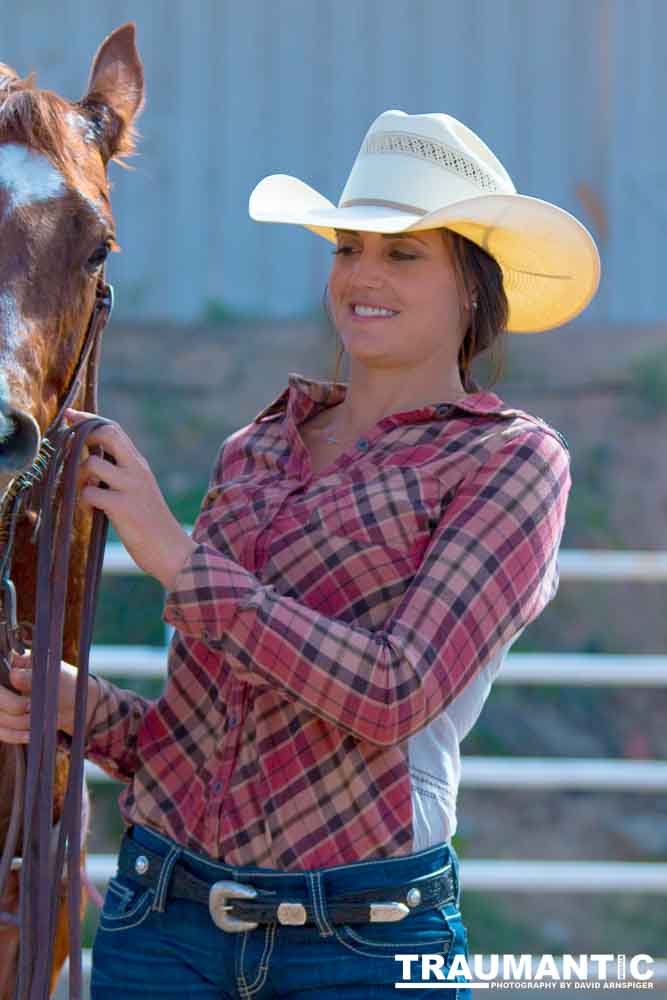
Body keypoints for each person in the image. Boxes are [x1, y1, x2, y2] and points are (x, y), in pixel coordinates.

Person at [0, 109, 599, 998]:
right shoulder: (256, 448)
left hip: (361, 945)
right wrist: (88, 711)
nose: (363, 275)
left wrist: (178, 560)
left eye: (402, 255)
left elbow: (394, 693)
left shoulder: (509, 463)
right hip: (162, 923)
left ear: (474, 287)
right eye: (347, 249)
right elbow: (207, 730)